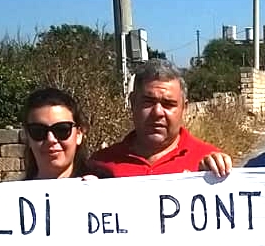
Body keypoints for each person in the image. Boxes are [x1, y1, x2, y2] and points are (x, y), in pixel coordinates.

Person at [89, 60, 223, 177]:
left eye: (168, 104)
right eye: (148, 102)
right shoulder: (99, 164)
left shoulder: (210, 163)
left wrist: (215, 177)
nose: (157, 112)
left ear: (184, 108)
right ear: (133, 103)